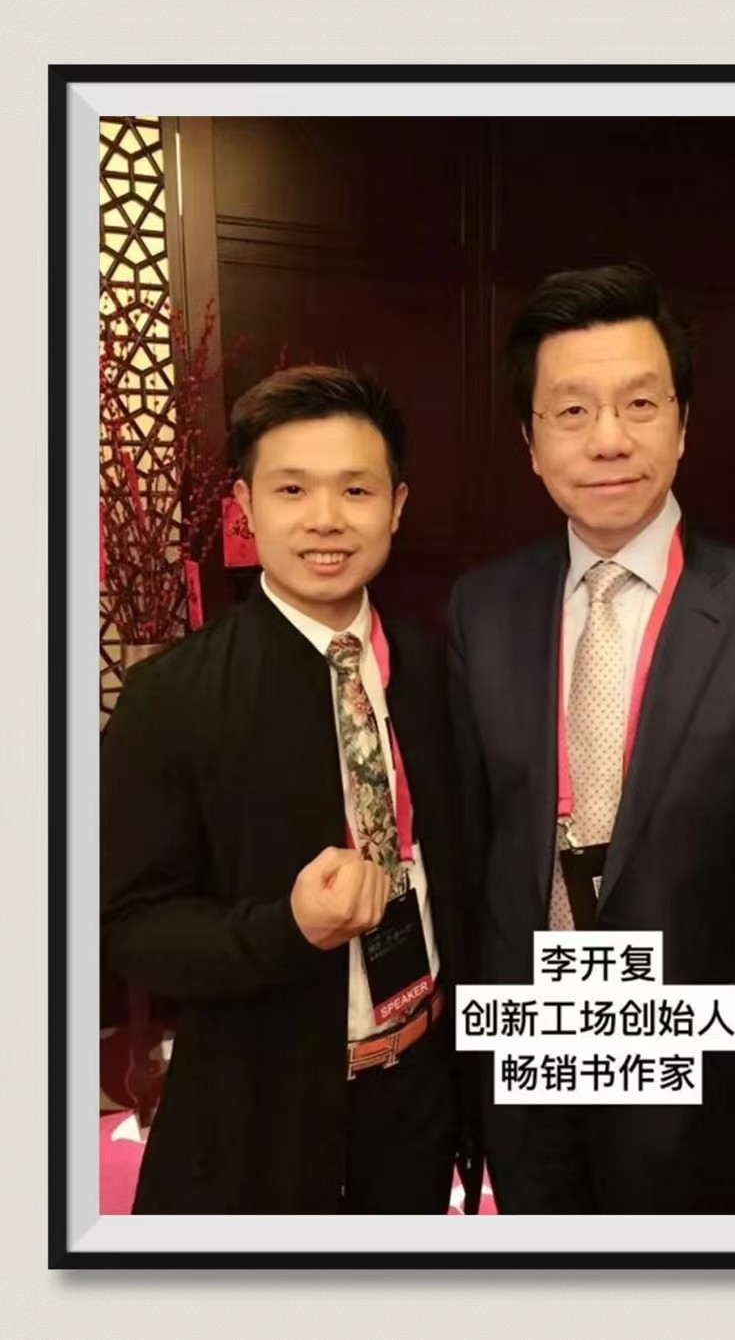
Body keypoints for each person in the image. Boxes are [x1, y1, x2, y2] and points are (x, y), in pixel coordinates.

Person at [447, 264, 735, 1214]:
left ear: (682, 425)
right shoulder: (482, 608)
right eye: (571, 411)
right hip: (531, 1043)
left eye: (640, 403)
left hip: (700, 1061)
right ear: (529, 442)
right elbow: (476, 850)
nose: (609, 438)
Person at [102, 364, 481, 1214]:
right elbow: (129, 930)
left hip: (417, 1088)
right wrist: (287, 928)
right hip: (259, 1103)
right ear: (244, 506)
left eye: (356, 489)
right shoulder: (173, 696)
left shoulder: (435, 670)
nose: (325, 518)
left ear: (397, 505)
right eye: (291, 489)